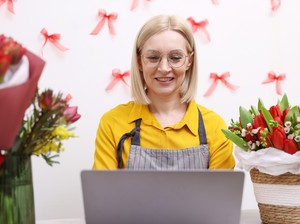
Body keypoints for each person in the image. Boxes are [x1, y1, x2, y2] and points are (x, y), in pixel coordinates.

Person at [92, 14, 235, 170]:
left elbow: (219, 194)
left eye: (175, 57)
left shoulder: (214, 127)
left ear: (189, 61)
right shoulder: (112, 123)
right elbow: (103, 193)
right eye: (153, 57)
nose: (164, 68)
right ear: (140, 61)